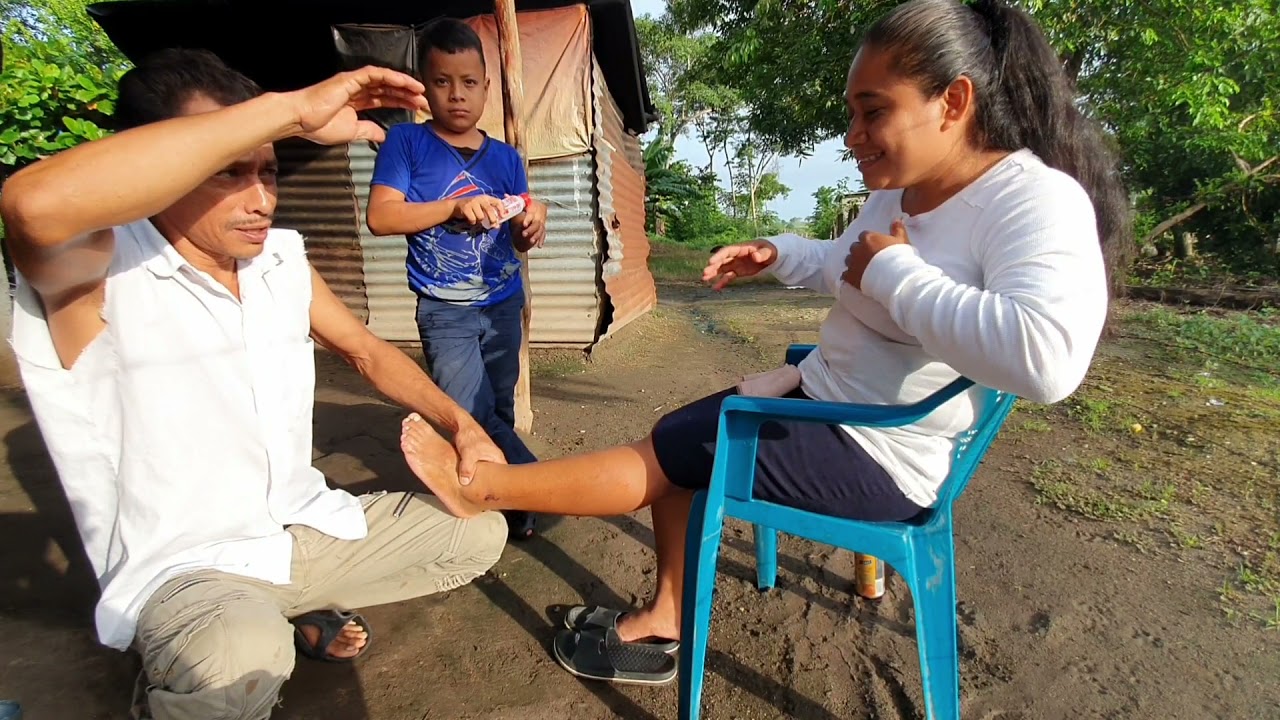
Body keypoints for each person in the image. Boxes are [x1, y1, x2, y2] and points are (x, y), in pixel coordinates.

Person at [396, 0, 1132, 685]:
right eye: (852, 113)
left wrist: (897, 273)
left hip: (882, 449)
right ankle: (664, 616)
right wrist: (779, 254)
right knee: (679, 439)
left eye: (874, 112)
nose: (853, 137)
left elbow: (1048, 362)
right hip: (828, 400)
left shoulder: (1031, 199)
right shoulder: (903, 188)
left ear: (955, 102)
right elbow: (849, 262)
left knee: (670, 454)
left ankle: (485, 488)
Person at [1, 49, 510, 719]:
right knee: (243, 663)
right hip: (190, 568)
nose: (261, 199)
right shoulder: (99, 268)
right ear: (161, 163)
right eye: (227, 170)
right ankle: (200, 656)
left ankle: (278, 612)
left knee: (478, 533)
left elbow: (361, 348)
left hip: (299, 529)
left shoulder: (279, 259)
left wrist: (463, 425)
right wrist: (291, 110)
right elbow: (30, 203)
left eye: (268, 170)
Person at [366, 19, 548, 541]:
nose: (457, 94)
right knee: (469, 411)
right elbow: (382, 217)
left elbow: (518, 234)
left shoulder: (506, 158)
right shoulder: (406, 143)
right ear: (425, 86)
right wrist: (452, 206)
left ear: (487, 87)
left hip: (502, 303)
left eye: (469, 82)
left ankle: (494, 494)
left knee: (500, 408)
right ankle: (531, 491)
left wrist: (533, 225)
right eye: (443, 81)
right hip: (444, 307)